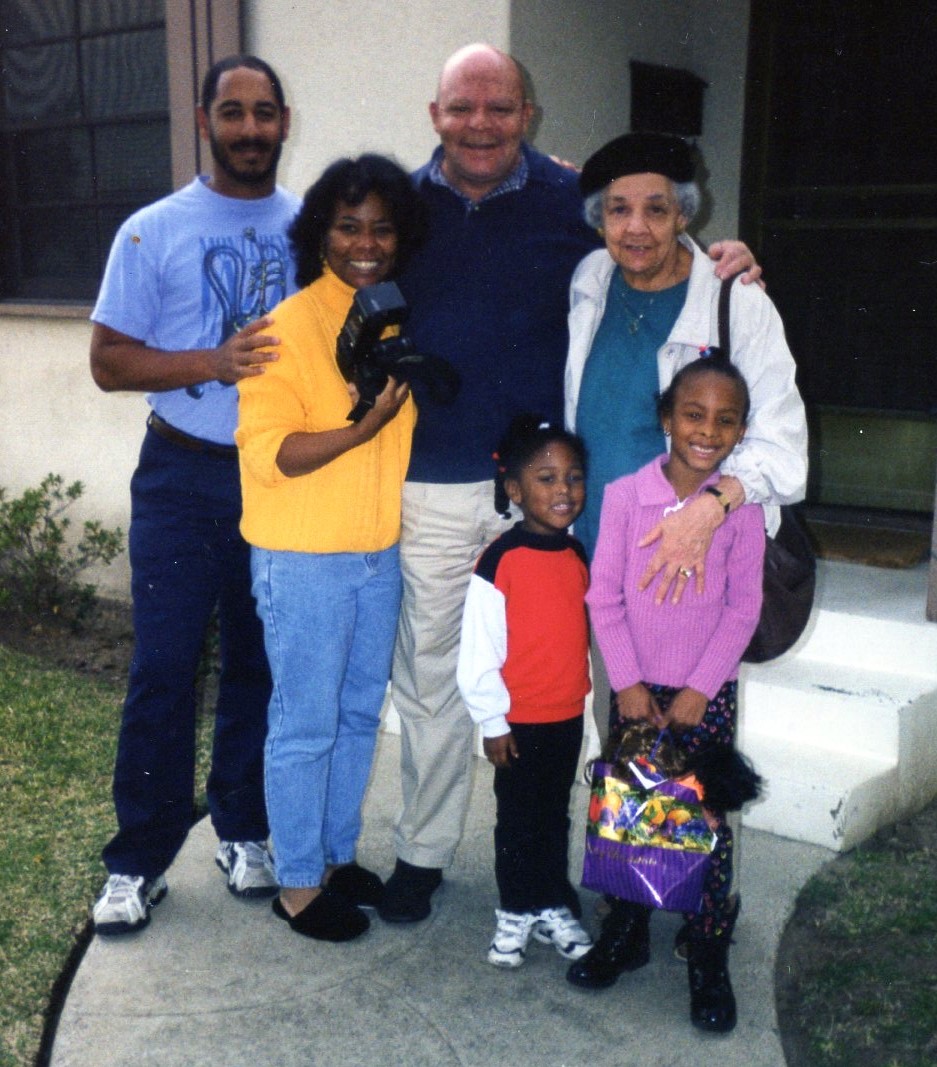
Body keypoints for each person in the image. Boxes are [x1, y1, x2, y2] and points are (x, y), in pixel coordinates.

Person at [379, 42, 762, 924]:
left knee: (569, 691)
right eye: (461, 107)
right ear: (435, 115)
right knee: (434, 677)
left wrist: (725, 260)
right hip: (439, 484)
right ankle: (422, 852)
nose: (480, 124)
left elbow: (653, 245)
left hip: (558, 502)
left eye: (499, 107)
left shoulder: (569, 199)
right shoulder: (397, 206)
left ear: (527, 115)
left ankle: (582, 871)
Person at [88, 55, 297, 934]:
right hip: (181, 475)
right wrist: (212, 361)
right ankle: (137, 859)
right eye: (232, 111)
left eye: (264, 112)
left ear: (284, 121)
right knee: (164, 667)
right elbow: (108, 361)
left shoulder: (310, 226)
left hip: (277, 475)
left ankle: (242, 827)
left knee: (259, 661)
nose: (249, 128)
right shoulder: (153, 230)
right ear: (205, 119)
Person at [564, 130, 808, 744]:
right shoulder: (590, 280)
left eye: (656, 209)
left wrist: (707, 510)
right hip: (600, 562)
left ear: (684, 215)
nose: (636, 227)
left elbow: (783, 452)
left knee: (684, 763)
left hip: (689, 575)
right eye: (618, 209)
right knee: (619, 745)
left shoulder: (735, 302)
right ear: (599, 220)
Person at [235, 155, 426, 942]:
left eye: (381, 227)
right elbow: (270, 455)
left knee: (354, 716)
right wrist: (360, 427)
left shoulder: (388, 319)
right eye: (348, 226)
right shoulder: (281, 330)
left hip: (377, 557)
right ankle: (297, 882)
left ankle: (336, 857)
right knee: (305, 723)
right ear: (319, 233)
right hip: (304, 560)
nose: (366, 243)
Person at [568, 357, 765, 1033]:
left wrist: (699, 689)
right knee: (630, 812)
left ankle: (706, 951)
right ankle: (625, 930)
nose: (707, 431)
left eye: (725, 419)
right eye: (693, 414)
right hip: (634, 691)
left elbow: (742, 609)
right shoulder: (626, 496)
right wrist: (625, 680)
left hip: (702, 695)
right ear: (666, 419)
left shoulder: (742, 510)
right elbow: (604, 596)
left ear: (741, 430)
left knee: (702, 820)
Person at [457, 416, 593, 968]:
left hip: (566, 716)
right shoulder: (500, 561)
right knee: (518, 819)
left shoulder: (576, 555)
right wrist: (493, 722)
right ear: (514, 490)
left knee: (554, 814)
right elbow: (478, 653)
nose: (564, 490)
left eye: (574, 477)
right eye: (547, 478)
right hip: (517, 722)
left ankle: (552, 904)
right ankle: (515, 909)